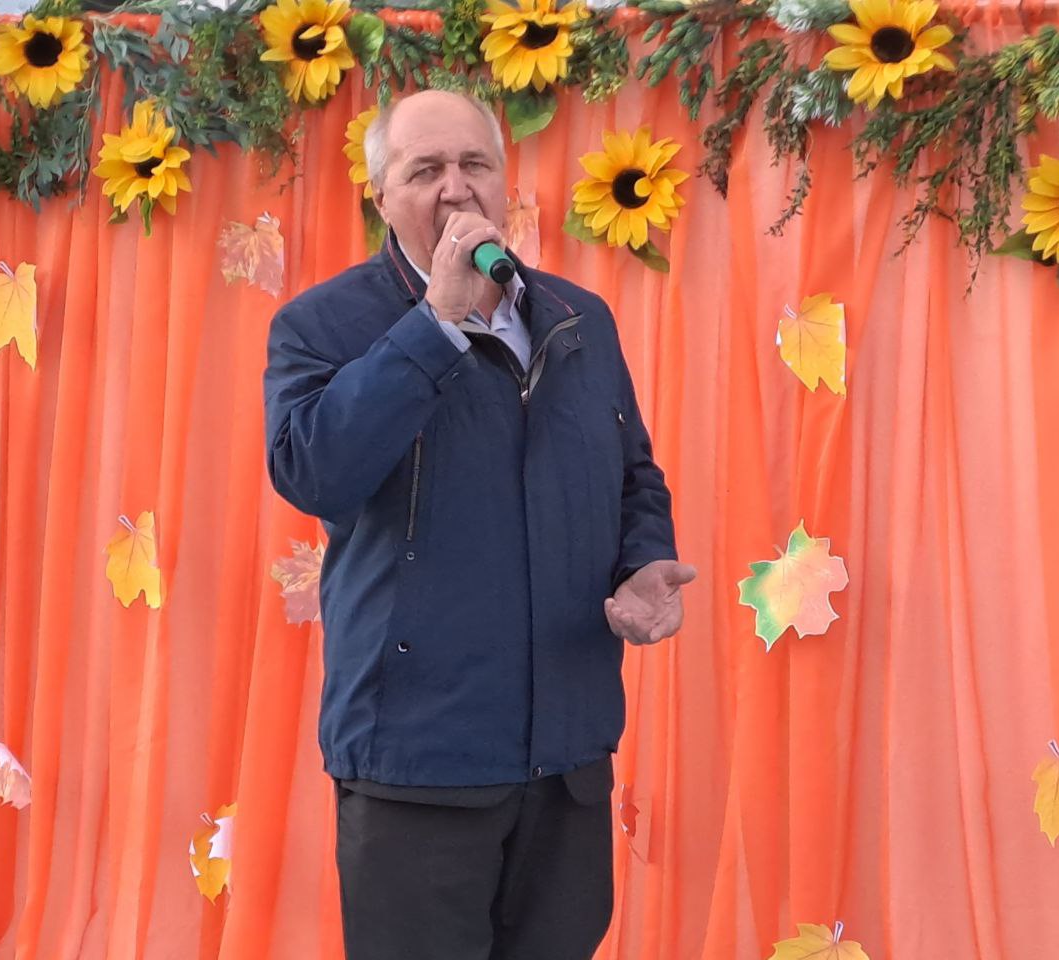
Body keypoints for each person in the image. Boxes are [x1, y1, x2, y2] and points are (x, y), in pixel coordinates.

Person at [262, 89, 696, 960]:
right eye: (425, 170)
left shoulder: (578, 319)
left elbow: (632, 475)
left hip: (567, 753)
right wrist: (436, 323)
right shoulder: (322, 325)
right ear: (381, 195)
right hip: (417, 762)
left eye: (475, 165)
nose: (456, 188)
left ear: (505, 181)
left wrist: (643, 562)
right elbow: (313, 472)